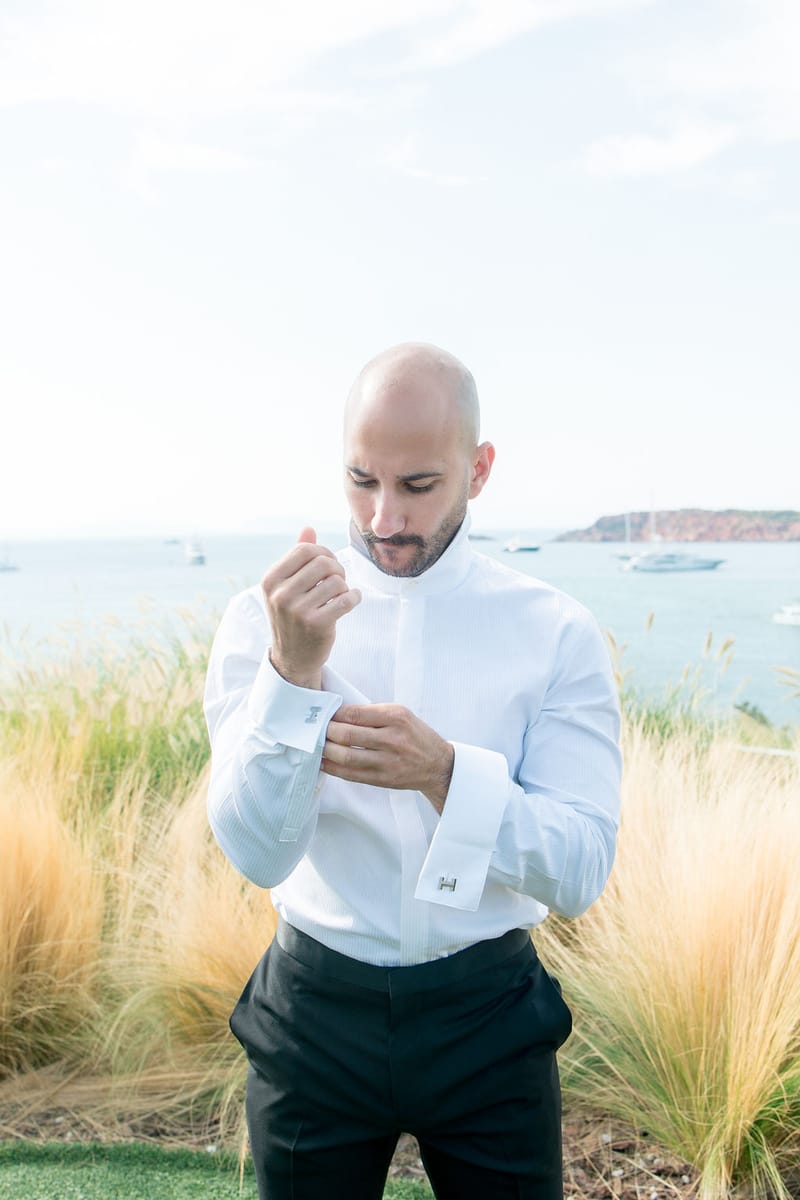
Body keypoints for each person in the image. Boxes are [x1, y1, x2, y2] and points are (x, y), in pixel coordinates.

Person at [204, 342, 622, 1200]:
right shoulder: (262, 621)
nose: (384, 517)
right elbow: (256, 855)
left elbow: (581, 870)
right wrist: (292, 674)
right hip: (313, 1013)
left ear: (479, 469)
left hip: (488, 1015)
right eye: (361, 480)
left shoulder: (556, 630)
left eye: (419, 485)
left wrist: (447, 776)